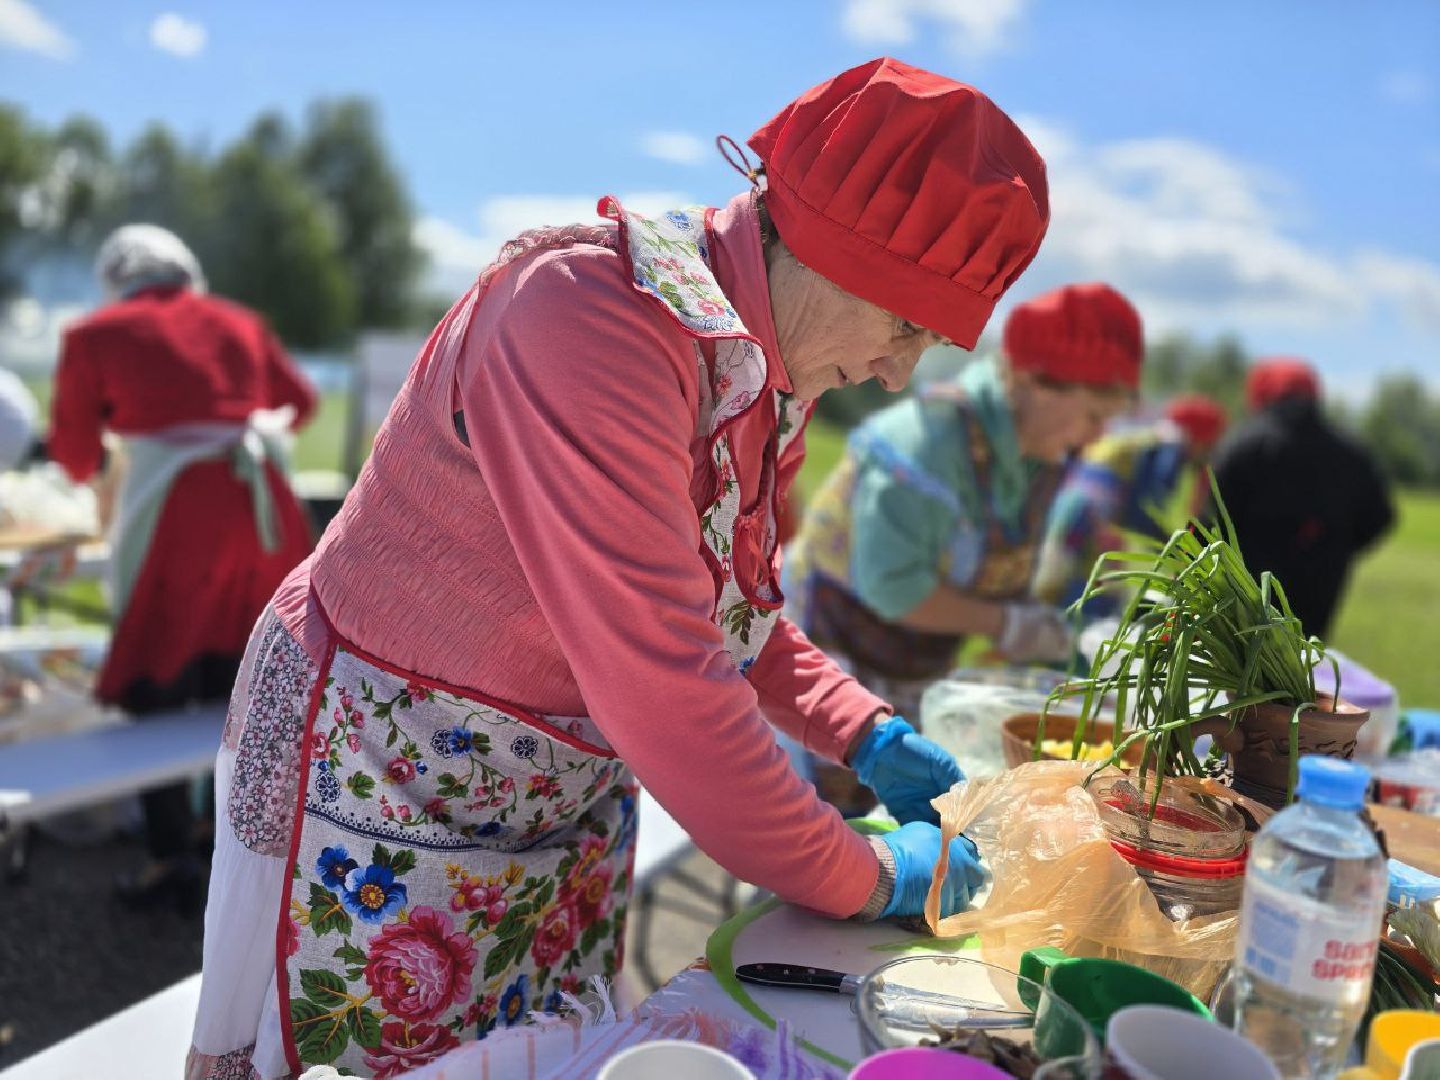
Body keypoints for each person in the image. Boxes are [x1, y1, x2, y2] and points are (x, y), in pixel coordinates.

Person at [187, 57, 1050, 1079]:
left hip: (545, 788)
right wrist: (863, 876)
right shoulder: (588, 316)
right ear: (821, 248)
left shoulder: (764, 370)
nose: (900, 370)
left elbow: (734, 616)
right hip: (388, 763)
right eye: (904, 321)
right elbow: (667, 680)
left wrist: (866, 731)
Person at [49, 224, 317, 910]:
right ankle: (229, 838)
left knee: (158, 680)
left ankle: (170, 856)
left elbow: (75, 456)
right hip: (264, 515)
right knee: (244, 679)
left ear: (116, 280)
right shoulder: (239, 322)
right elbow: (303, 403)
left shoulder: (94, 335)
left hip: (177, 518)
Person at [784, 282, 1143, 749]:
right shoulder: (928, 446)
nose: (1097, 437)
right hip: (817, 663)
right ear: (1035, 382)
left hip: (914, 671)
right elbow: (892, 587)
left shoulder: (1039, 460)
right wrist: (1008, 624)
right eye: (1093, 415)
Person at [1213, 357, 1394, 639]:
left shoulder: (1244, 447)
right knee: (1302, 668)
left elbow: (1207, 523)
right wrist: (1335, 546)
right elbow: (1381, 518)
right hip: (1320, 595)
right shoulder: (1352, 454)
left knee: (1243, 673)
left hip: (1245, 600)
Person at [1034, 392, 1227, 610]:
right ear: (1200, 437)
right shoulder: (1170, 450)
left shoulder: (1147, 439)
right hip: (1091, 517)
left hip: (1073, 505)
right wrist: (1176, 553)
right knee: (1091, 589)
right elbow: (1144, 509)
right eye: (1210, 444)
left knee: (1058, 583)